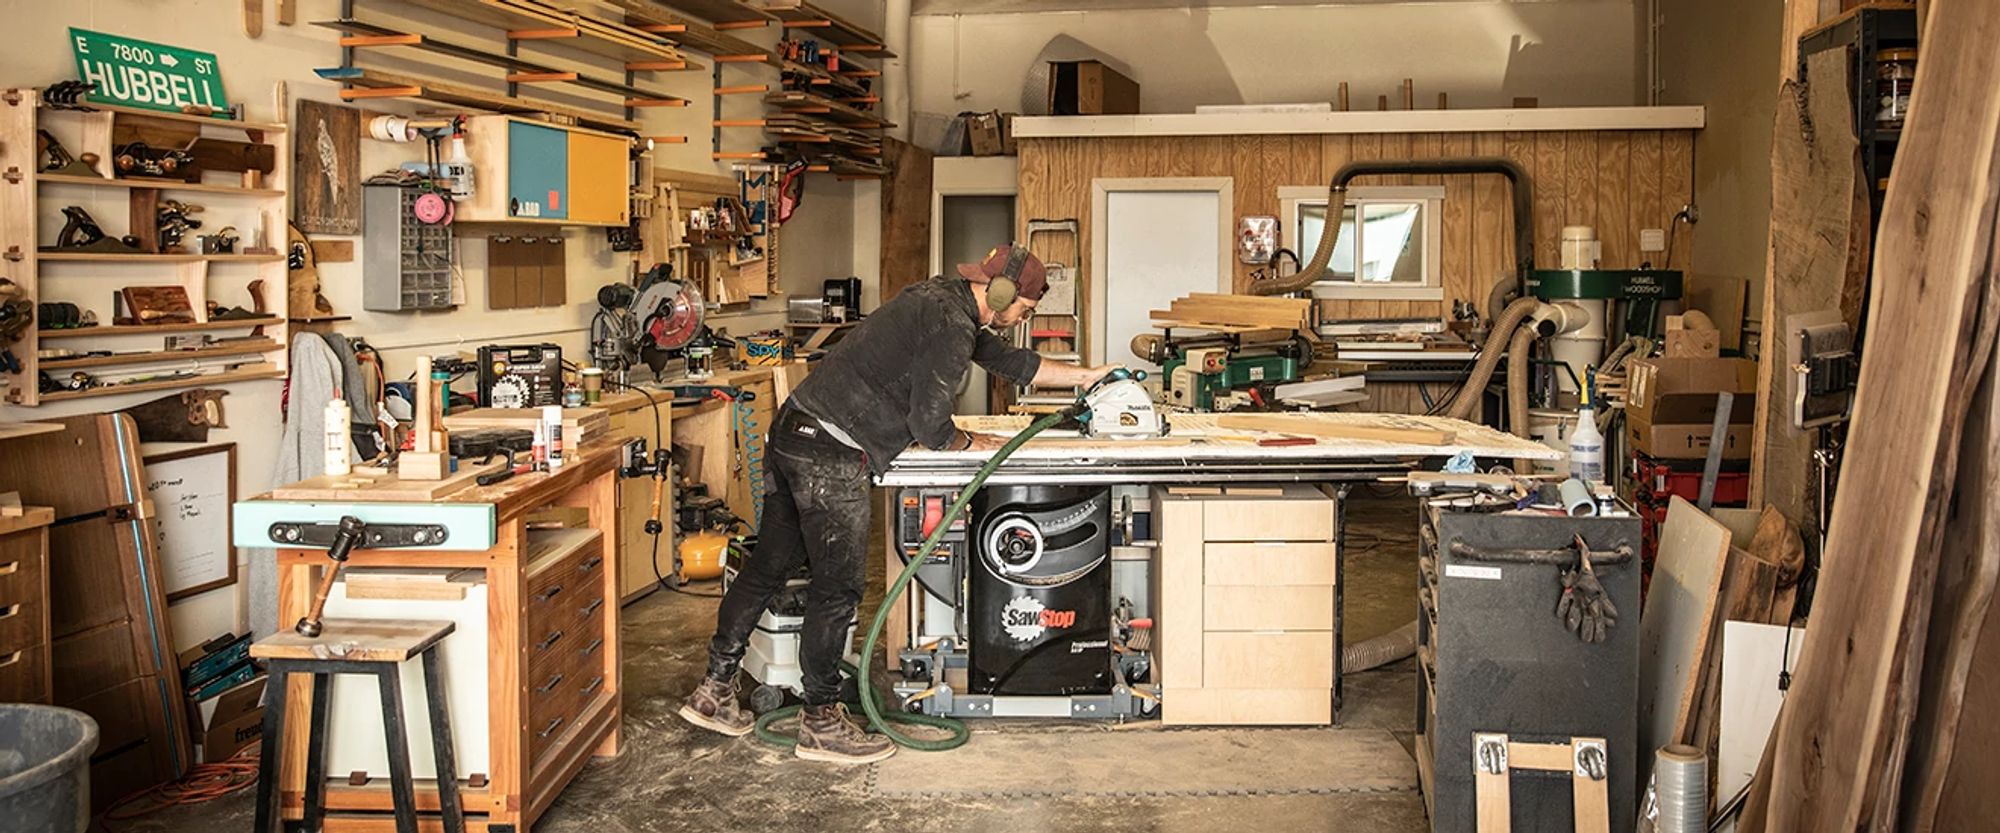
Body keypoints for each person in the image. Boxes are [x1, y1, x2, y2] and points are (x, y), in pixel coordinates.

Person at [678, 245, 1116, 763]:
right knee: (836, 589)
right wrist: (963, 442)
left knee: (768, 568)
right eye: (1024, 309)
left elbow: (1008, 360)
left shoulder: (943, 300)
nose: (1023, 318)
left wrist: (1085, 376)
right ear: (1000, 294)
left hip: (795, 430)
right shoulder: (952, 324)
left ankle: (714, 690)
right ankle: (819, 721)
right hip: (831, 453)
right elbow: (931, 427)